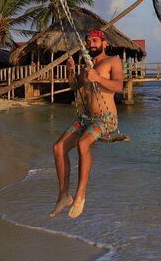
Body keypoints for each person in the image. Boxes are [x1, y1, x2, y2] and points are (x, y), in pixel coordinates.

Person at [50, 29, 124, 218]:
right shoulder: (87, 67)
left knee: (83, 144)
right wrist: (71, 69)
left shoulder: (113, 61)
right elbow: (75, 86)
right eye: (88, 41)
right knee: (58, 147)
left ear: (104, 43)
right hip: (87, 117)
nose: (91, 44)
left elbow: (119, 86)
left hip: (106, 118)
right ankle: (63, 195)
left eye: (95, 41)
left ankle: (80, 195)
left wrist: (98, 78)